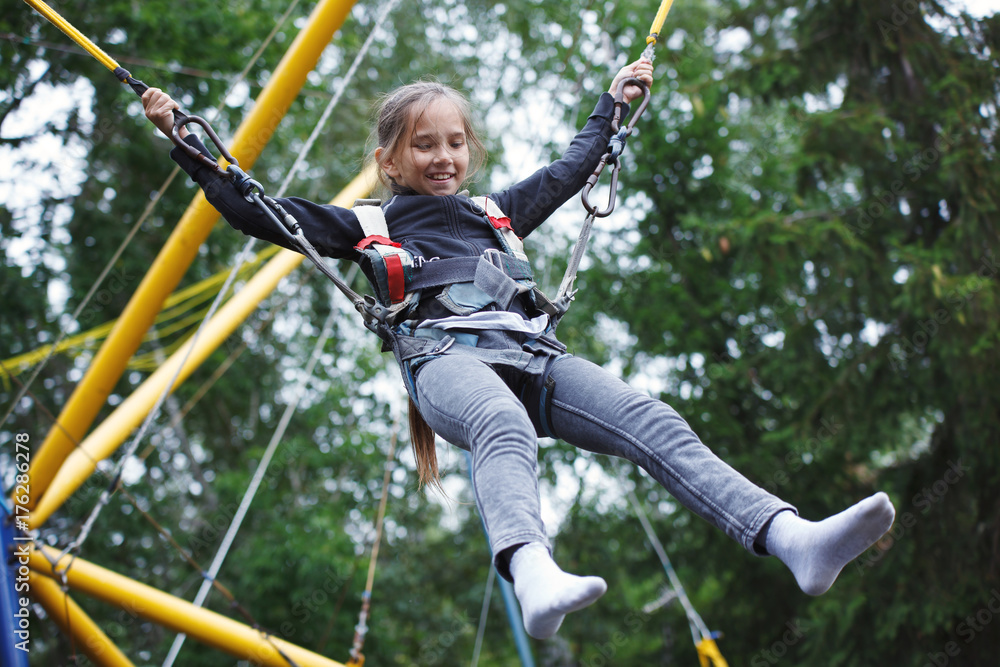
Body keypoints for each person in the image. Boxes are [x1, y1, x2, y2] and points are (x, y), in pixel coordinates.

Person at [143, 58, 895, 640]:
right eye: (423, 145)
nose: (443, 156)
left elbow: (572, 169)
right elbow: (259, 210)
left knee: (651, 419)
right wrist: (186, 142)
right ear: (390, 161)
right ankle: (532, 571)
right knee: (500, 427)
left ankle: (791, 537)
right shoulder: (366, 224)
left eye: (455, 142)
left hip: (534, 356)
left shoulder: (497, 214)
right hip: (447, 364)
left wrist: (613, 101)